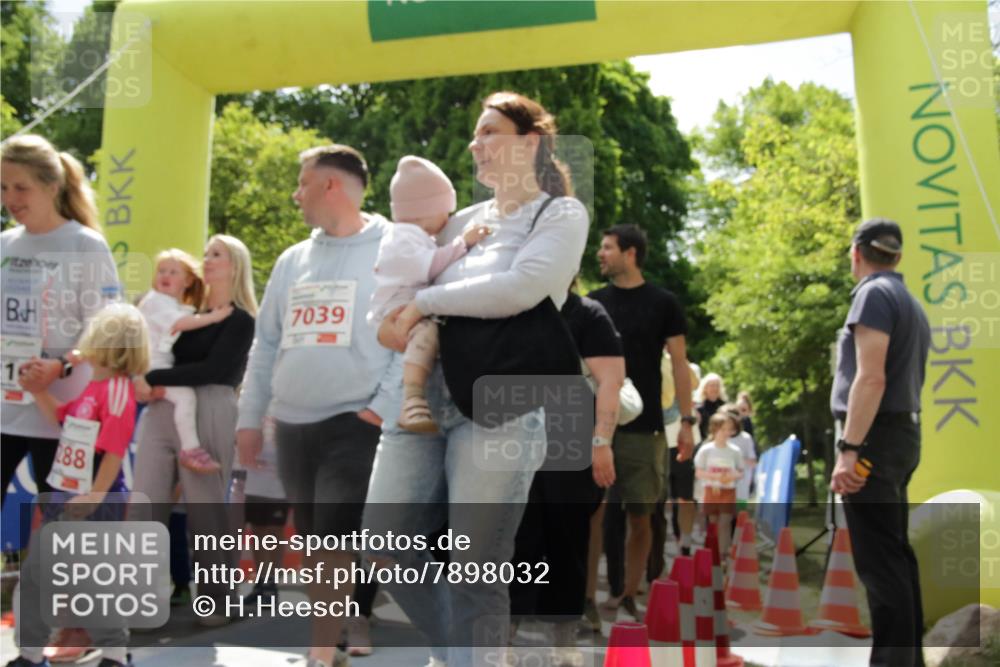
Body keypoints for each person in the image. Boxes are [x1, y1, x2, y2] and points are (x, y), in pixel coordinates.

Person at [365, 91, 589, 667]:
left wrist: (424, 304)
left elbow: (519, 288)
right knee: (383, 546)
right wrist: (390, 320)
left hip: (501, 403)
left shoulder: (560, 213)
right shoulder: (458, 222)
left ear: (529, 141)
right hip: (420, 397)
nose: (475, 143)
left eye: (489, 130)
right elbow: (396, 293)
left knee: (475, 564)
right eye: (475, 133)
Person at [236, 145, 395, 667]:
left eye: (303, 183)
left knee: (333, 537)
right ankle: (332, 641)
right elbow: (266, 342)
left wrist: (381, 406)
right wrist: (250, 416)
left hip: (356, 422)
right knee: (312, 542)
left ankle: (322, 651)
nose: (295, 194)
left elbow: (416, 330)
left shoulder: (394, 246)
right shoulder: (291, 260)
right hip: (292, 422)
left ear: (332, 186)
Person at [10, 303, 148, 667]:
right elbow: (64, 419)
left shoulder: (116, 389)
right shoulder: (94, 387)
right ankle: (29, 653)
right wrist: (38, 391)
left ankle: (116, 656)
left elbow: (115, 447)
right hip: (67, 496)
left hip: (93, 501)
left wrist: (95, 495)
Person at [130, 234, 256, 628]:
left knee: (205, 509)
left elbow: (214, 370)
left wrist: (148, 376)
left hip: (212, 406)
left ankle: (218, 600)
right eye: (205, 254)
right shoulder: (182, 313)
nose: (208, 259)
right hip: (163, 408)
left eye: (216, 254)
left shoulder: (240, 319)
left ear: (235, 265)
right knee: (145, 502)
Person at [829, 218, 930, 667]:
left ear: (856, 253)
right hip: (900, 434)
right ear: (898, 256)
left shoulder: (872, 294)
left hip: (873, 439)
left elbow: (870, 377)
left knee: (880, 563)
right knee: (895, 554)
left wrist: (849, 449)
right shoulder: (908, 300)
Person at [1, 135, 120, 507]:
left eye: (21, 187)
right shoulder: (4, 244)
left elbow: (105, 326)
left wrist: (62, 364)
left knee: (63, 520)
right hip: (5, 409)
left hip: (64, 413)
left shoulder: (85, 244)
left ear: (52, 187)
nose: (10, 198)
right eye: (3, 187)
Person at [589, 223, 694, 619]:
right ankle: (586, 599)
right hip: (597, 427)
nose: (600, 254)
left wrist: (686, 421)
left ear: (630, 253)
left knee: (642, 515)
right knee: (591, 515)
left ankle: (630, 594)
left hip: (646, 427)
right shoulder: (592, 303)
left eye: (607, 247)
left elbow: (680, 366)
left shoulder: (663, 303)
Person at [513, 284, 623, 663]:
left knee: (567, 541)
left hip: (571, 445)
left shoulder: (589, 315)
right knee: (516, 541)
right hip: (513, 441)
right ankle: (504, 642)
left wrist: (601, 443)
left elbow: (611, 381)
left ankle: (563, 642)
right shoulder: (513, 302)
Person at [368, 155, 492, 433]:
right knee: (426, 334)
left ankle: (413, 398)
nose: (449, 218)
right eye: (444, 211)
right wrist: (464, 243)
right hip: (396, 310)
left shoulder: (414, 236)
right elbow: (429, 266)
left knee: (428, 336)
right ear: (423, 211)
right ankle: (411, 401)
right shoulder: (402, 238)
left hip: (400, 308)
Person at [138, 248, 234, 474]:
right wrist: (213, 317)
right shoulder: (155, 300)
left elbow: (184, 315)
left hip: (156, 366)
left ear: (188, 280)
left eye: (173, 272)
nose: (165, 275)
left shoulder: (171, 304)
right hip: (153, 366)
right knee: (186, 397)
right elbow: (180, 323)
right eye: (161, 270)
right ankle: (191, 449)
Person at [694, 411, 743, 560]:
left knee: (725, 521)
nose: (726, 433)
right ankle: (712, 553)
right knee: (713, 522)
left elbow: (740, 471)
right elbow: (699, 472)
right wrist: (715, 476)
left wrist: (730, 476)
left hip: (728, 491)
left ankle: (723, 553)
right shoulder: (706, 450)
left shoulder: (735, 451)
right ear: (715, 429)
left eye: (730, 429)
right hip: (711, 490)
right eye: (723, 429)